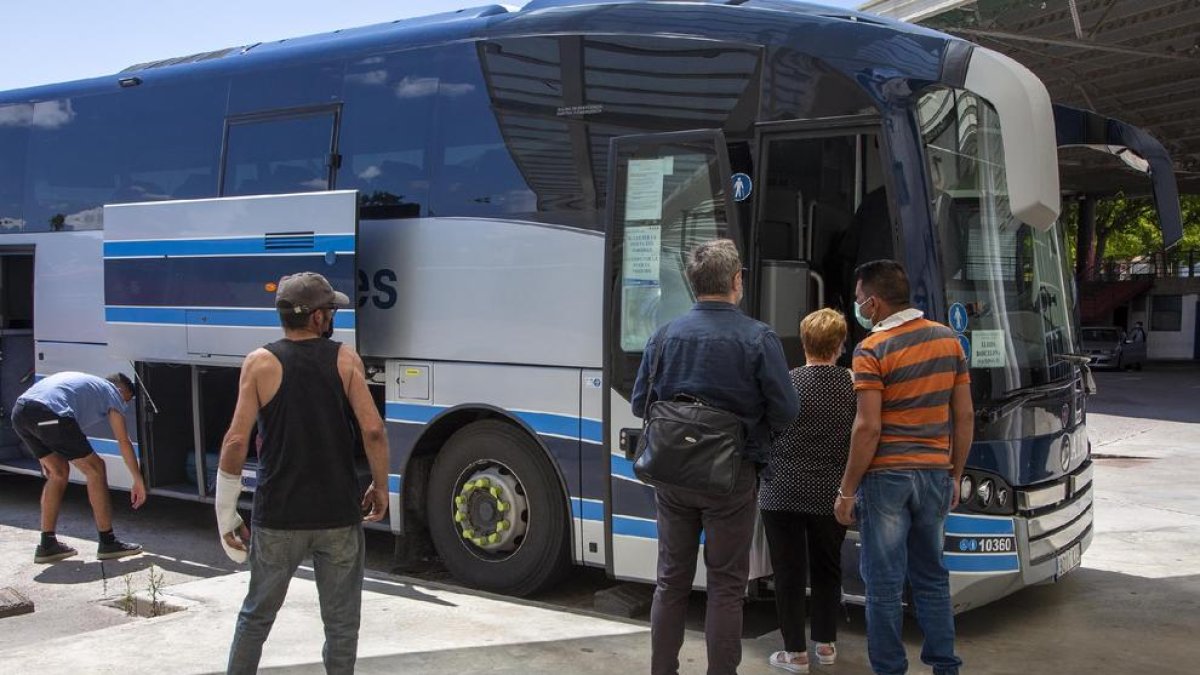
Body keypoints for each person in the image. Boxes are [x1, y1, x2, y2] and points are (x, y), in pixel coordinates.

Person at [631, 239, 799, 675]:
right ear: (736, 280)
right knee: (725, 586)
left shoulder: (665, 335)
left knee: (670, 582)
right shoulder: (758, 338)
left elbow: (639, 404)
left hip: (671, 478)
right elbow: (786, 411)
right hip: (732, 477)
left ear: (693, 284)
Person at [217, 271, 390, 675]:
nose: (332, 318)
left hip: (279, 516)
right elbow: (374, 430)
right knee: (342, 624)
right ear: (316, 318)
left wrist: (226, 512)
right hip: (338, 514)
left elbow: (235, 442)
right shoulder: (345, 358)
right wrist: (380, 487)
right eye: (330, 310)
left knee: (256, 617)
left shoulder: (259, 362)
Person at [834, 260, 974, 675]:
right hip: (934, 474)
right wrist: (956, 473)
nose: (859, 307)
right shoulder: (949, 341)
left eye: (860, 301)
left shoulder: (870, 350)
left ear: (874, 303)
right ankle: (945, 666)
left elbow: (868, 427)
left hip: (887, 479)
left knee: (883, 586)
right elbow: (964, 417)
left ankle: (890, 669)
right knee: (932, 577)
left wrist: (846, 490)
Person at [758, 308, 855, 673]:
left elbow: (767, 428)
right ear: (840, 345)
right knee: (828, 567)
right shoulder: (853, 384)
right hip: (830, 492)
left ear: (803, 343)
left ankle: (795, 653)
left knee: (788, 571)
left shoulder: (787, 381)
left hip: (780, 491)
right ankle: (826, 646)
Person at [11, 371, 145, 563]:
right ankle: (108, 542)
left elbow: (43, 414)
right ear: (119, 389)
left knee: (58, 472)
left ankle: (47, 545)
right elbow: (123, 441)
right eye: (127, 400)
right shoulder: (111, 392)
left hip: (21, 413)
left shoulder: (85, 385)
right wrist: (137, 479)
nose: (123, 406)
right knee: (96, 469)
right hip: (49, 413)